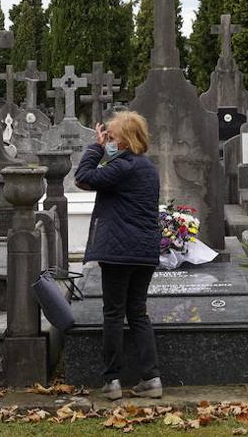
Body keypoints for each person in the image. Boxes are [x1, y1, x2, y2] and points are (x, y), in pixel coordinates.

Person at [74, 110, 162, 401]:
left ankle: (112, 380)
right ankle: (152, 378)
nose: (108, 141)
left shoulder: (123, 166)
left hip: (118, 252)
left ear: (125, 140)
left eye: (111, 137)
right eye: (106, 138)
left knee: (113, 313)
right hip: (144, 251)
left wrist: (95, 148)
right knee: (137, 312)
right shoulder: (146, 167)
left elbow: (82, 177)